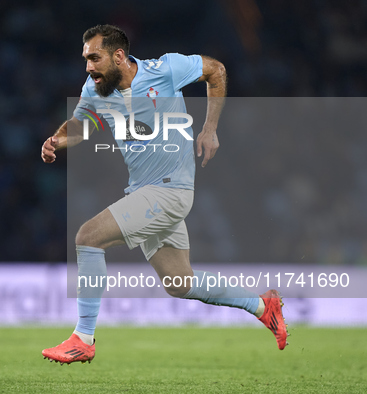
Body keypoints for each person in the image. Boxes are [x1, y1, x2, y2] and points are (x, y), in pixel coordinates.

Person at [40, 25, 288, 364]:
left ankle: (83, 338)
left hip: (170, 191)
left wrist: (210, 128)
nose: (88, 67)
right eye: (85, 60)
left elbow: (216, 70)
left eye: (94, 58)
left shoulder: (165, 69)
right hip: (145, 191)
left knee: (88, 237)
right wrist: (57, 139)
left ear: (118, 56)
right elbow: (81, 125)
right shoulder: (94, 89)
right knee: (179, 282)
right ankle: (262, 306)